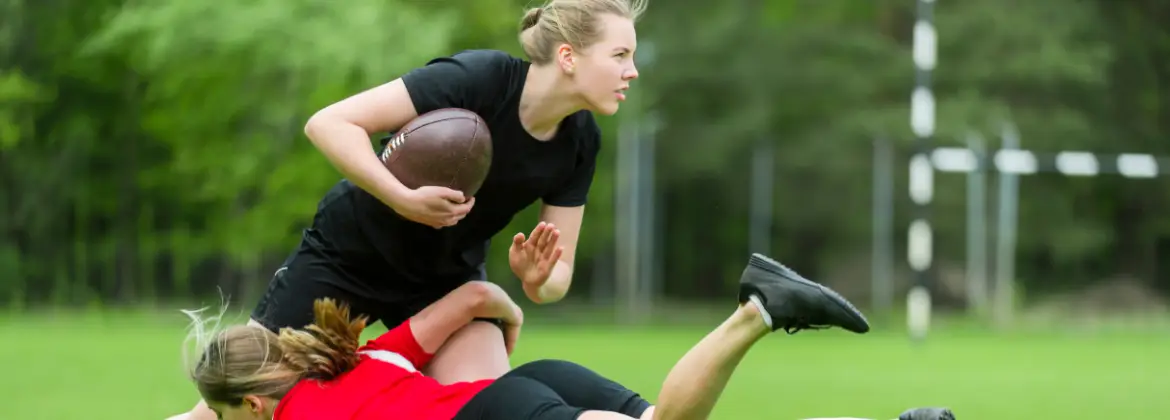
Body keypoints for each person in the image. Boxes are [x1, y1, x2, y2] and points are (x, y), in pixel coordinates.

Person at [171, 1, 649, 418]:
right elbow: (329, 123)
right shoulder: (479, 79)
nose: (633, 70)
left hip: (442, 277)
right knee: (213, 413)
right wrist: (400, 197)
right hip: (348, 258)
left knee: (486, 405)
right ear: (568, 56)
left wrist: (538, 277)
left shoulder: (580, 140)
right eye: (620, 55)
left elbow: (557, 277)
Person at [182, 253, 953, 420]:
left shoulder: (303, 419)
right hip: (521, 386)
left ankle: (755, 311)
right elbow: (476, 296)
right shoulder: (358, 354)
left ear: (254, 405)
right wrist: (511, 317)